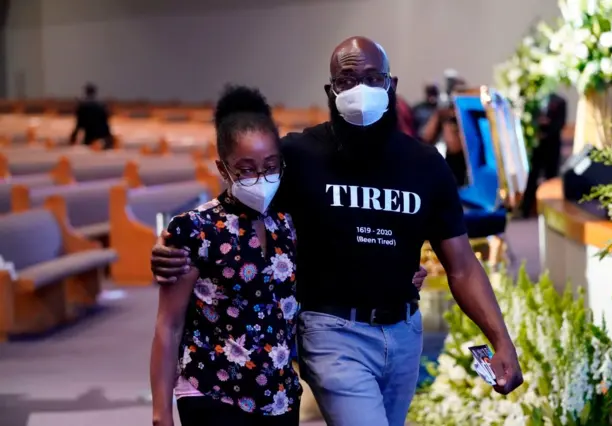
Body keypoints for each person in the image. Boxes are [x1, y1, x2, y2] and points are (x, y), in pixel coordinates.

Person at [151, 37, 522, 426]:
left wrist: (501, 339)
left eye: (372, 78)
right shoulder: (298, 155)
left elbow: (462, 266)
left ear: (391, 85)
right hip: (332, 330)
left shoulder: (425, 165)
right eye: (347, 80)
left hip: (403, 332)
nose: (360, 90)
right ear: (331, 90)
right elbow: (233, 212)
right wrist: (167, 247)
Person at [150, 86, 303, 426]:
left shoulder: (288, 224)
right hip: (212, 391)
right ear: (223, 169)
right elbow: (169, 324)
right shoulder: (195, 229)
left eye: (270, 166)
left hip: (278, 395)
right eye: (246, 169)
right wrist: (161, 412)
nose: (260, 179)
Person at [520, 92, 567, 217]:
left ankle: (550, 211)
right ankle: (526, 209)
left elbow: (560, 123)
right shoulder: (534, 100)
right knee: (532, 178)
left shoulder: (560, 101)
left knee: (551, 178)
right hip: (537, 146)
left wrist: (547, 129)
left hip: (552, 145)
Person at [421, 80, 469, 187]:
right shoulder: (442, 115)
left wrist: (448, 121)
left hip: (460, 175)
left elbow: (455, 147)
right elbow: (425, 139)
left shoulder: (465, 117)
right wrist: (439, 116)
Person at [69, 83, 113, 149]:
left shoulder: (82, 106)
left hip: (89, 137)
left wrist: (73, 137)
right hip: (102, 137)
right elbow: (106, 123)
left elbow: (79, 125)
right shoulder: (101, 106)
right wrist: (110, 138)